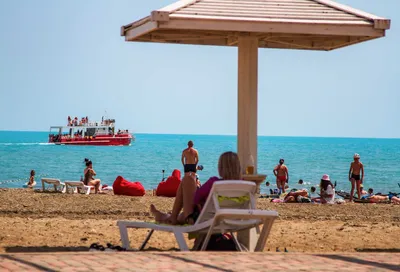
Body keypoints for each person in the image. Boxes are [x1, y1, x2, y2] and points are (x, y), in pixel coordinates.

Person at [150, 151, 241, 225]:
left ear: (221, 168)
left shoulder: (214, 182)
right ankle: (167, 217)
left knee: (188, 179)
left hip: (202, 220)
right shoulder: (244, 185)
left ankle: (171, 217)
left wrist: (197, 188)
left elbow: (195, 199)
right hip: (229, 220)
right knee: (182, 216)